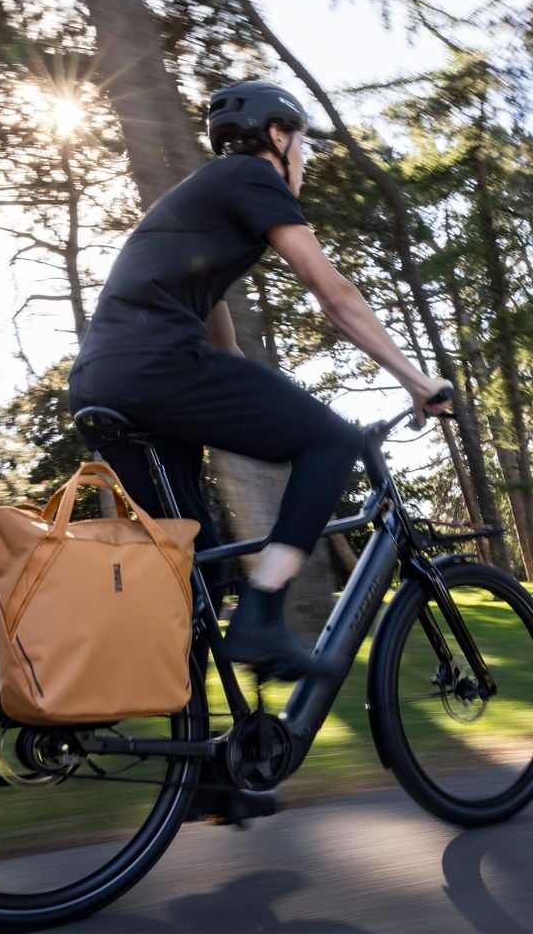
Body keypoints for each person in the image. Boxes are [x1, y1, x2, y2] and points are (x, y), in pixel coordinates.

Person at [68, 79, 451, 682]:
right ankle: (264, 614)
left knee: (194, 571)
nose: (303, 162)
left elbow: (219, 331)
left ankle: (197, 767)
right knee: (331, 442)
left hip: (102, 381)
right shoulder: (253, 178)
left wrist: (254, 386)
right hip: (157, 366)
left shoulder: (206, 198)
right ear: (277, 136)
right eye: (302, 145)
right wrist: (414, 379)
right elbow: (335, 297)